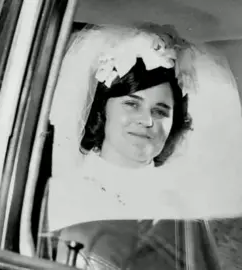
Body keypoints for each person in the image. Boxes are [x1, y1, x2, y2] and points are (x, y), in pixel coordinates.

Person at [40, 24, 242, 269]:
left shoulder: (181, 206)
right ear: (103, 109)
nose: (147, 121)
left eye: (160, 111)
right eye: (132, 104)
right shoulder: (62, 193)